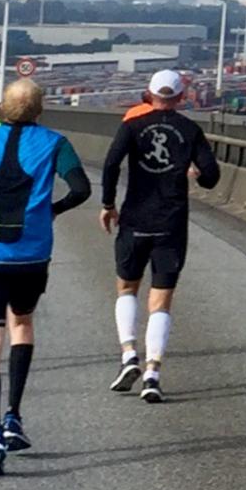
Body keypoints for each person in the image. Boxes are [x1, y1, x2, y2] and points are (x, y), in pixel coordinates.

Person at [0, 77, 91, 474]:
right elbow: (81, 189)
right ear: (40, 109)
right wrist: (52, 210)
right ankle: (14, 414)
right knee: (23, 323)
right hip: (31, 255)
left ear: (1, 107)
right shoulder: (55, 143)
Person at [100, 68, 219, 403]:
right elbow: (211, 175)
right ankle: (153, 373)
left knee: (127, 287)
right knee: (161, 299)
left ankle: (128, 355)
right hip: (171, 222)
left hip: (135, 217)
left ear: (149, 94)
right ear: (181, 97)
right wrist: (196, 175)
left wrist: (108, 204)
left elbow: (110, 164)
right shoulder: (190, 130)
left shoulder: (132, 125)